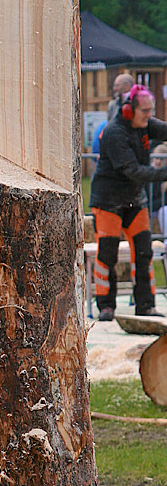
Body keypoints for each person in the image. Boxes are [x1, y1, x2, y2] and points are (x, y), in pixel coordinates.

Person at [90, 83, 167, 321]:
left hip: (135, 201)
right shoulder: (115, 133)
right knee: (107, 255)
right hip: (108, 202)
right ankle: (105, 306)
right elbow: (134, 170)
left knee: (144, 253)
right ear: (129, 110)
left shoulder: (144, 124)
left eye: (150, 110)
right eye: (145, 111)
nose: (149, 115)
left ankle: (145, 304)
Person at [92, 74, 135, 156]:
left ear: (127, 85)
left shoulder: (137, 102)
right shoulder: (113, 104)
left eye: (117, 85)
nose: (114, 88)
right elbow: (110, 123)